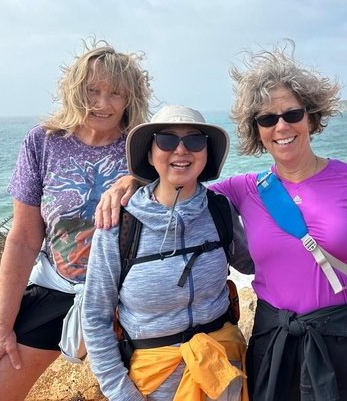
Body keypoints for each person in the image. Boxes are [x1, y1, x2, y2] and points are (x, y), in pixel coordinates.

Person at [97, 40, 347, 400]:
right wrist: (130, 181)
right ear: (256, 129)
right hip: (276, 344)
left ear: (311, 117)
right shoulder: (242, 190)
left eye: (292, 114)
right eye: (267, 119)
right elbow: (180, 178)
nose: (281, 126)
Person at [0, 38, 153, 401]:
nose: (102, 102)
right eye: (92, 90)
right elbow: (22, 239)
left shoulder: (142, 146)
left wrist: (136, 178)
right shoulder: (43, 142)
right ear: (74, 91)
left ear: (130, 98)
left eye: (115, 93)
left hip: (125, 298)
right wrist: (2, 327)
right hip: (58, 287)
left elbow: (183, 181)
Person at [82, 105, 254, 401]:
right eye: (167, 140)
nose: (181, 150)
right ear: (150, 154)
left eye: (195, 141)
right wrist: (122, 394)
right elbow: (96, 316)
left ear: (206, 154)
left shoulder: (220, 210)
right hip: (151, 387)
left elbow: (254, 264)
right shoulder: (118, 224)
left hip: (225, 375)